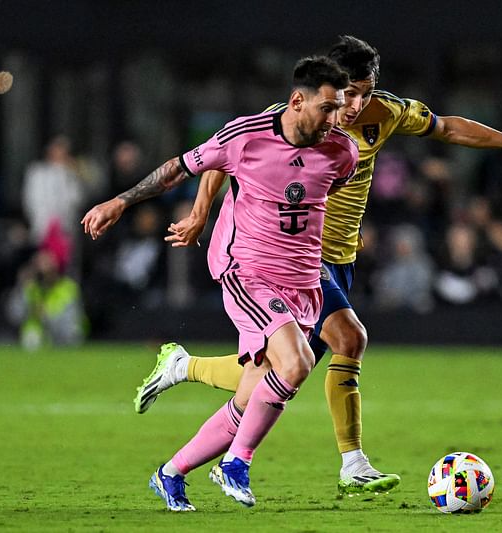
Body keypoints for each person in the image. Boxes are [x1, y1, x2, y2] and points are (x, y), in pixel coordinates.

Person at [132, 36, 502, 495]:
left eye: (366, 90)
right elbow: (223, 157)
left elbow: (448, 128)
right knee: (348, 337)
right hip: (295, 258)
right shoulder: (295, 116)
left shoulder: (387, 112)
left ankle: (182, 389)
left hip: (340, 257)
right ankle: (349, 462)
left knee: (263, 378)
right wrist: (201, 210)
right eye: (350, 92)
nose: (358, 103)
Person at [82, 56, 357, 511]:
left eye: (340, 107)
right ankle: (236, 463)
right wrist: (121, 201)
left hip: (303, 281)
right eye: (328, 108)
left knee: (251, 398)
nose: (337, 117)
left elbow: (314, 198)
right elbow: (181, 167)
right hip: (248, 270)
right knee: (298, 363)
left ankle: (170, 473)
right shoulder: (247, 136)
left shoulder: (342, 151)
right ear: (297, 101)